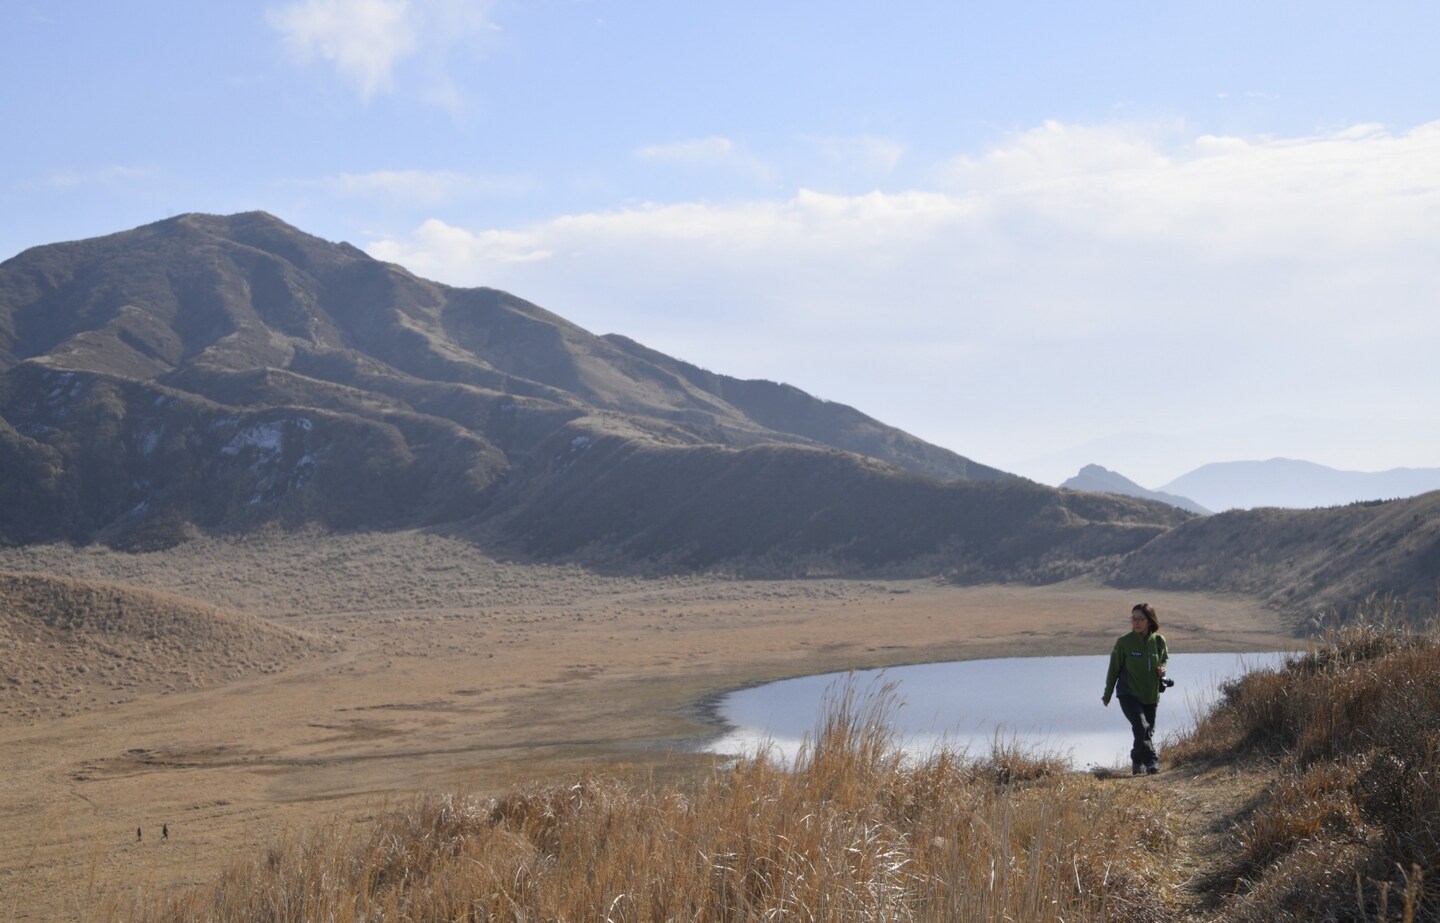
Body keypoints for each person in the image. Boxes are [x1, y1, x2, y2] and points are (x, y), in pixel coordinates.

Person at [1101, 602, 1169, 775]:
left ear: (1150, 621)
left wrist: (1162, 668)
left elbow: (1164, 659)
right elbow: (1113, 669)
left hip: (1150, 694)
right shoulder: (1124, 642)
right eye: (1134, 619)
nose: (1136, 622)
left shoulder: (1159, 641)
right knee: (1141, 726)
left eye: (1141, 619)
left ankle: (1137, 761)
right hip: (1128, 694)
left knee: (1146, 731)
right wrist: (1107, 694)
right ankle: (1152, 760)